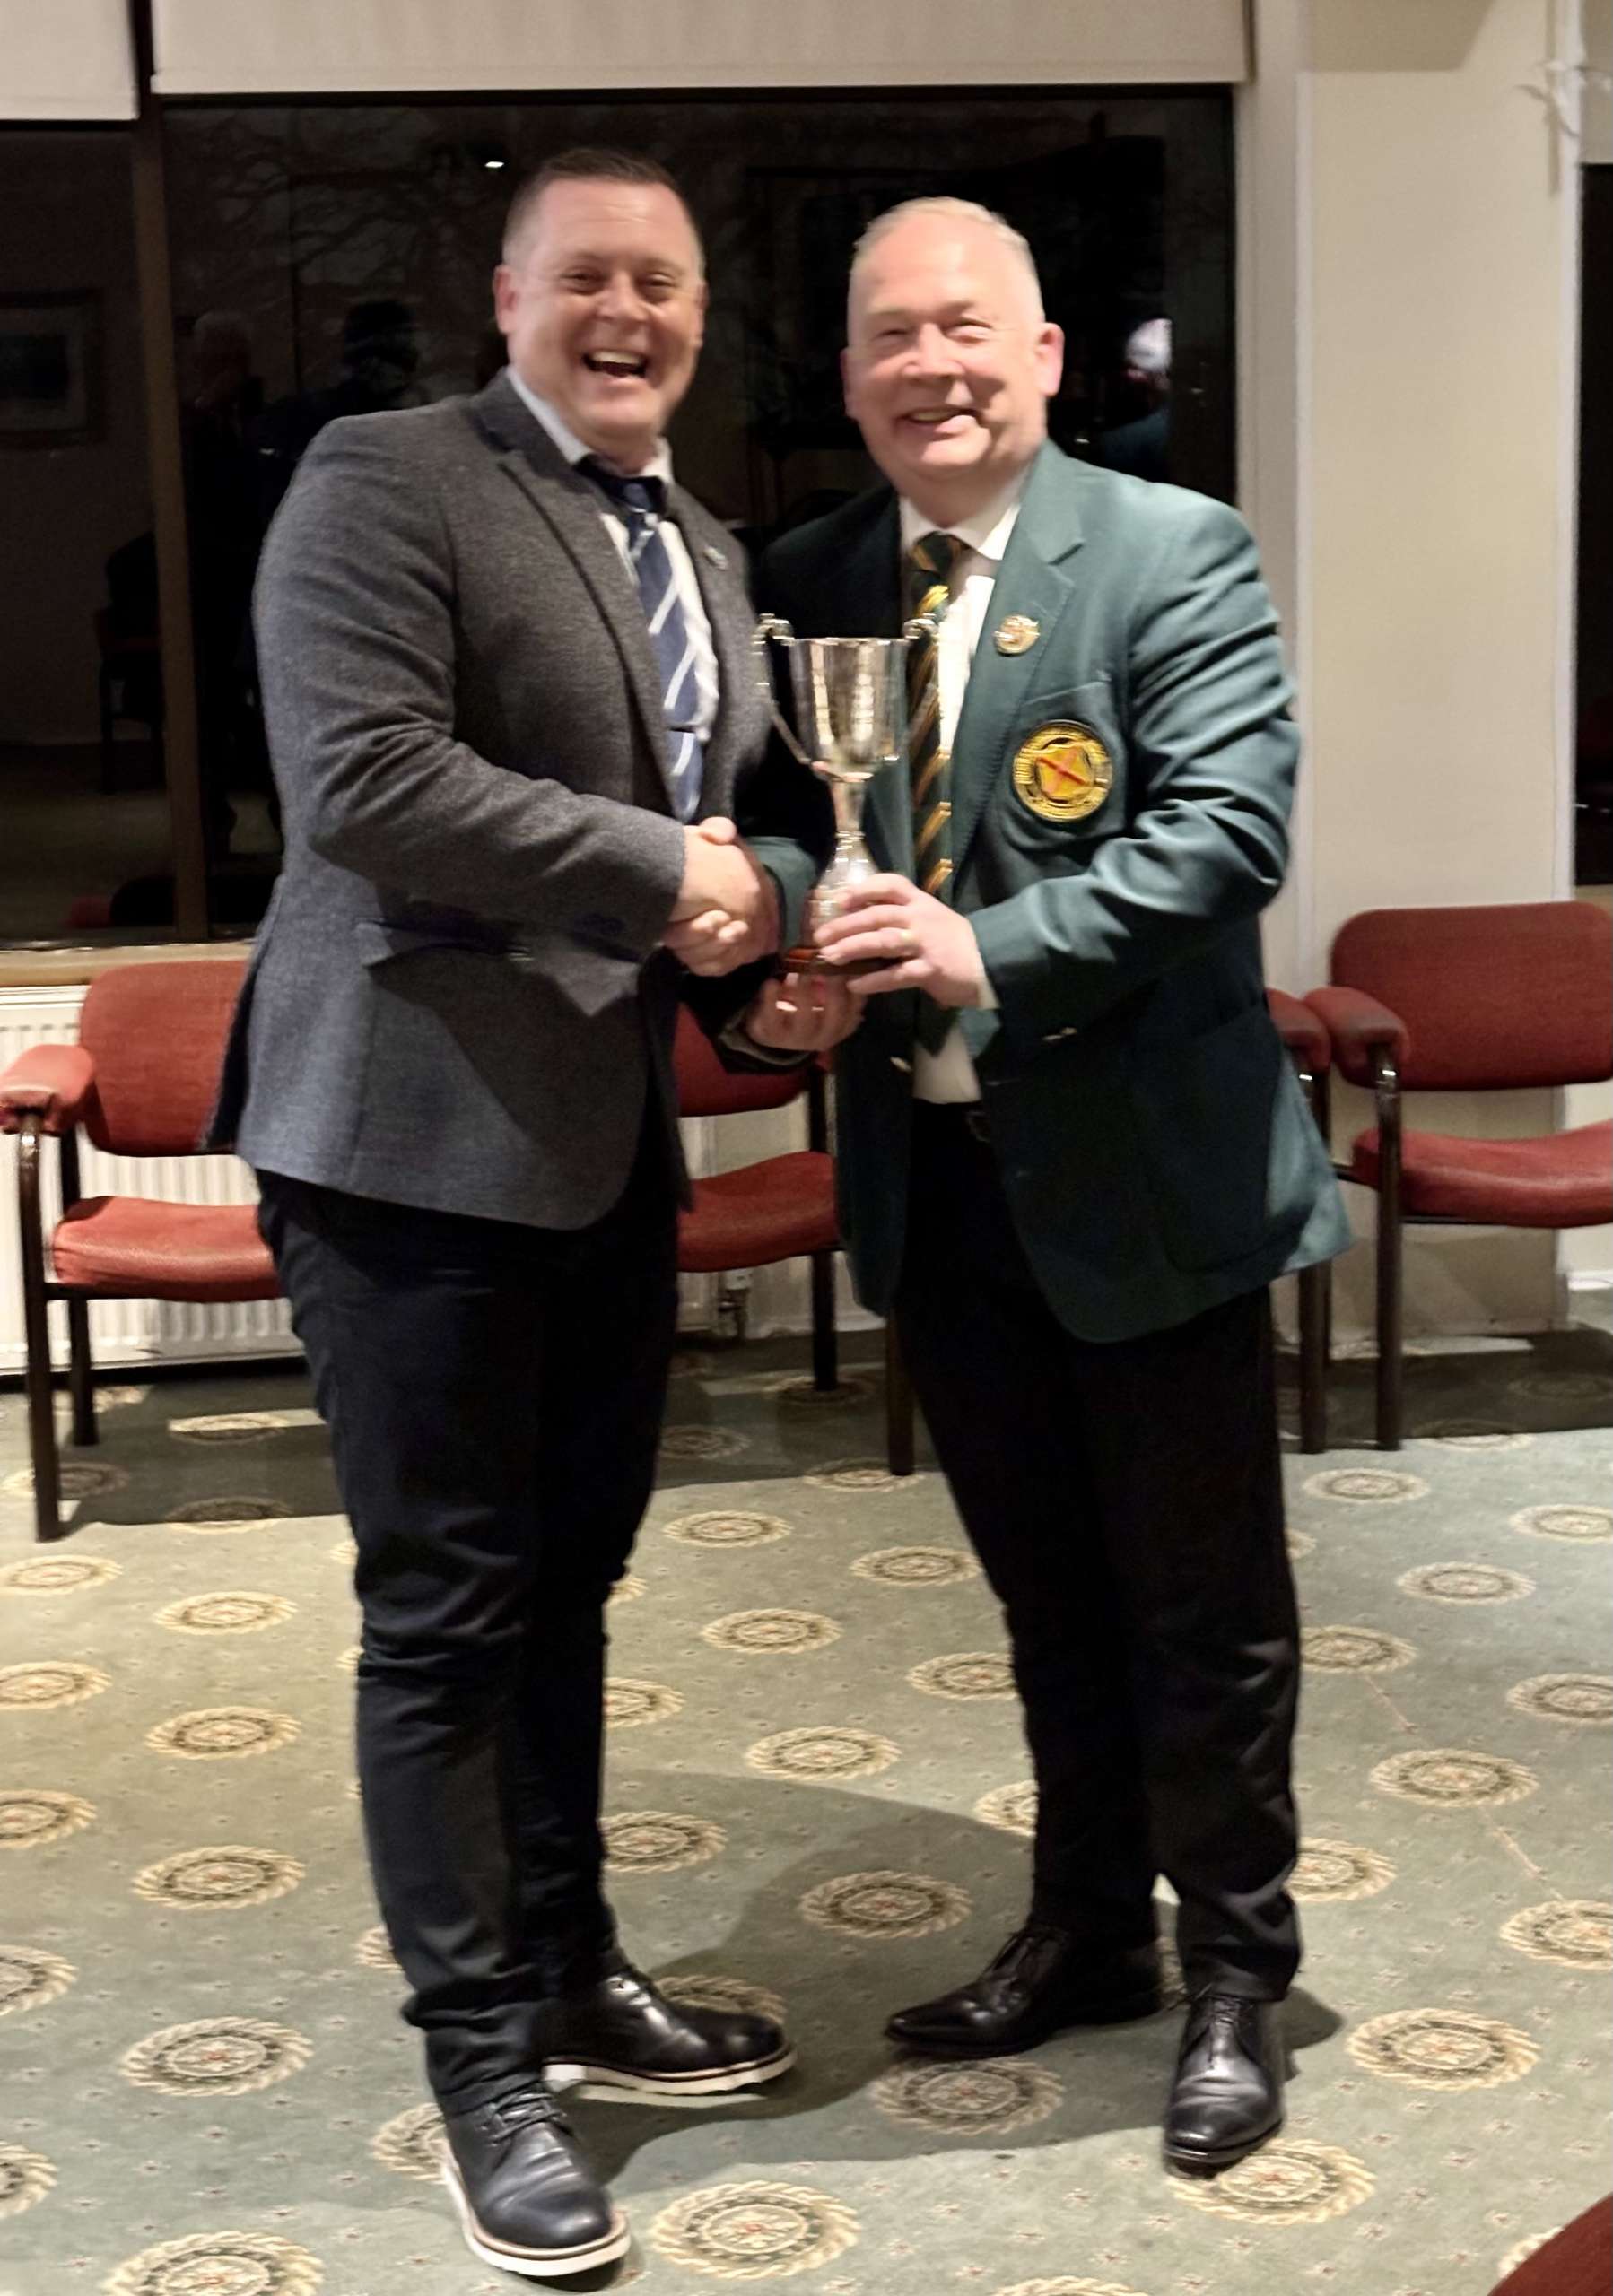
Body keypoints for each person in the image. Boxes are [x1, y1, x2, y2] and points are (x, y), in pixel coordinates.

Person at [210, 150, 833, 2281]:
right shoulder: (386, 478)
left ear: (698, 316)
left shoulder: (701, 544)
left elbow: (731, 829)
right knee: (447, 1612)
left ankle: (569, 1964)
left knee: (569, 1586)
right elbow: (367, 781)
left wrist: (763, 967)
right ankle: (482, 2060)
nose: (626, 313)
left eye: (662, 282)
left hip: (600, 1146)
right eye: (586, 277)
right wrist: (679, 878)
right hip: (400, 1143)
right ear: (508, 296)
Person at [753, 197, 1349, 2176]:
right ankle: (1089, 1927)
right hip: (936, 1187)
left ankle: (1235, 1968)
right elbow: (784, 831)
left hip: (1147, 1183)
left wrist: (980, 949)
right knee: (1044, 1600)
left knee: (1201, 1606)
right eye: (888, 336)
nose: (928, 367)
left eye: (964, 328)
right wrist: (779, 954)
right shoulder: (812, 575)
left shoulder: (1170, 550)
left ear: (1042, 357)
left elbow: (1226, 833)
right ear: (849, 373)